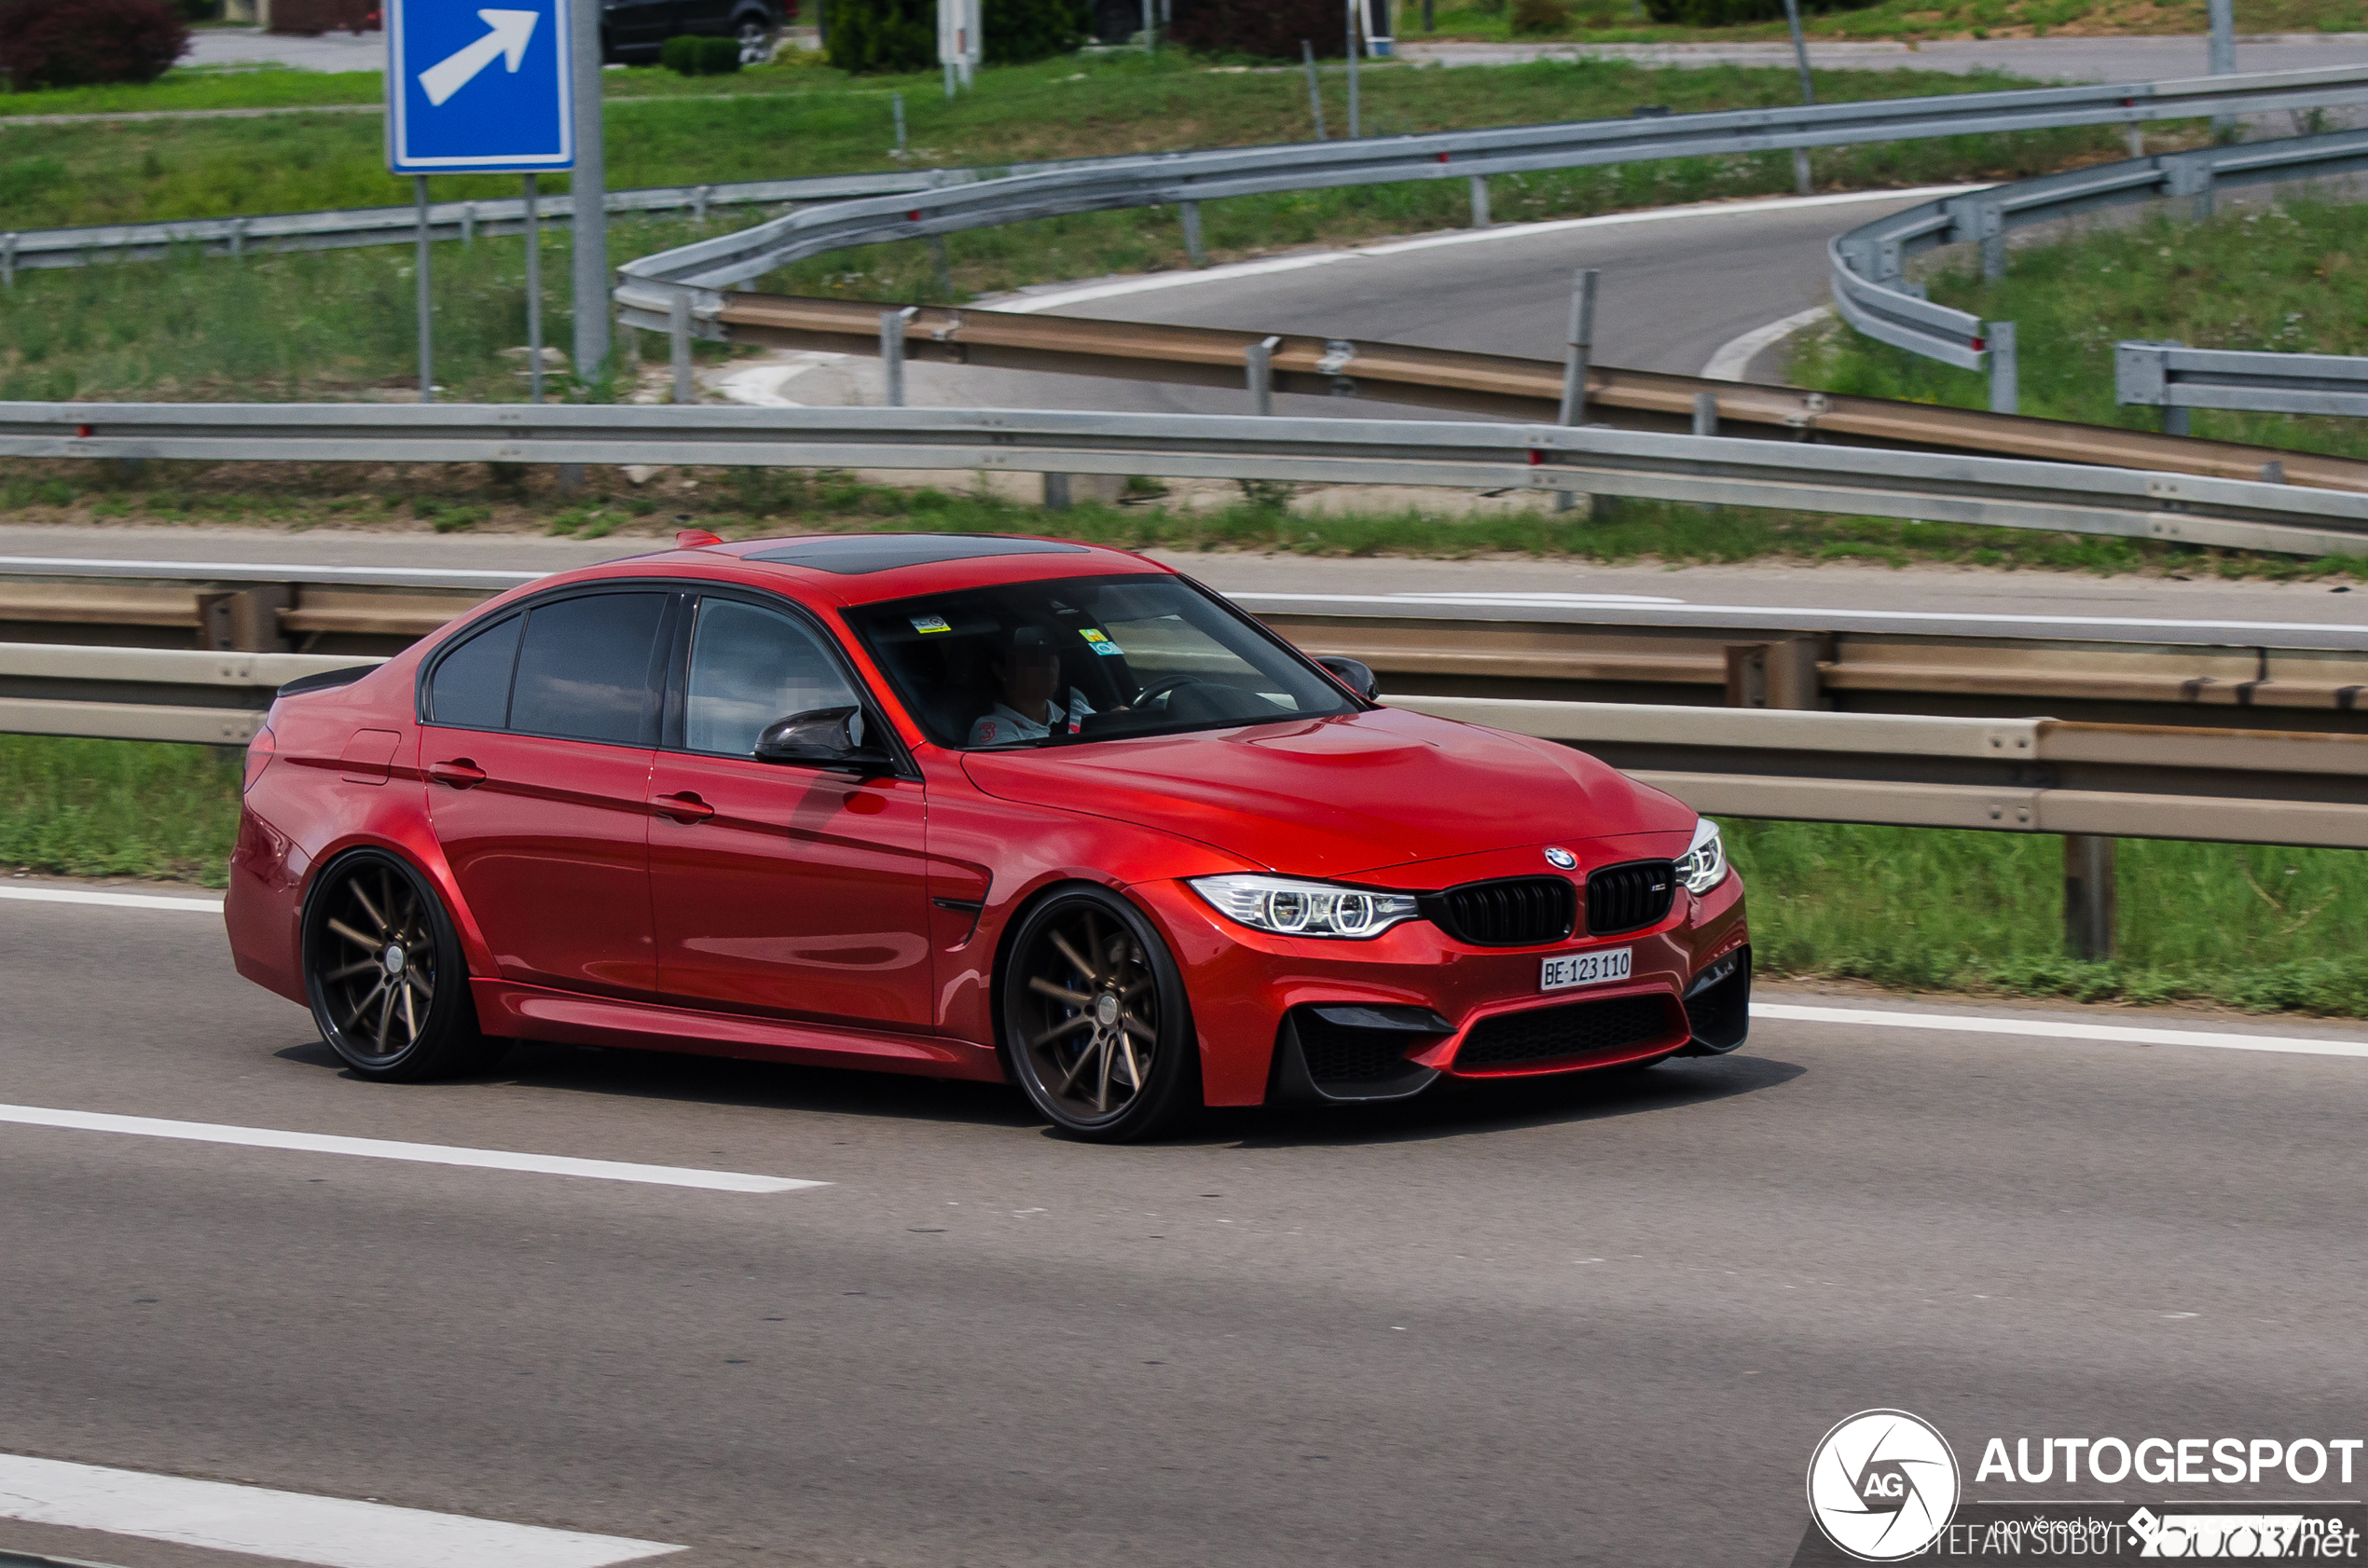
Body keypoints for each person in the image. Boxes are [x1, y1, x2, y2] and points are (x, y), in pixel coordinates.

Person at [967, 628, 1095, 746]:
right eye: (1033, 656)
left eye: (1051, 653)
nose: (1049, 662)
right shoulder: (995, 729)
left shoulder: (1077, 709)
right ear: (1002, 671)